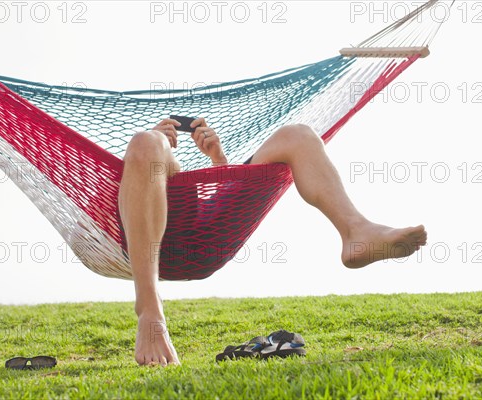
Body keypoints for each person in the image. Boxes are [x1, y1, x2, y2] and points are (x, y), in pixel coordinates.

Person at [118, 118, 428, 366]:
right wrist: (147, 146)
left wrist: (219, 160)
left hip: (205, 241)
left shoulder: (193, 195)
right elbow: (127, 179)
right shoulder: (143, 159)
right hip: (139, 242)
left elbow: (215, 207)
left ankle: (356, 231)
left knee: (298, 134)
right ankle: (150, 310)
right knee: (147, 142)